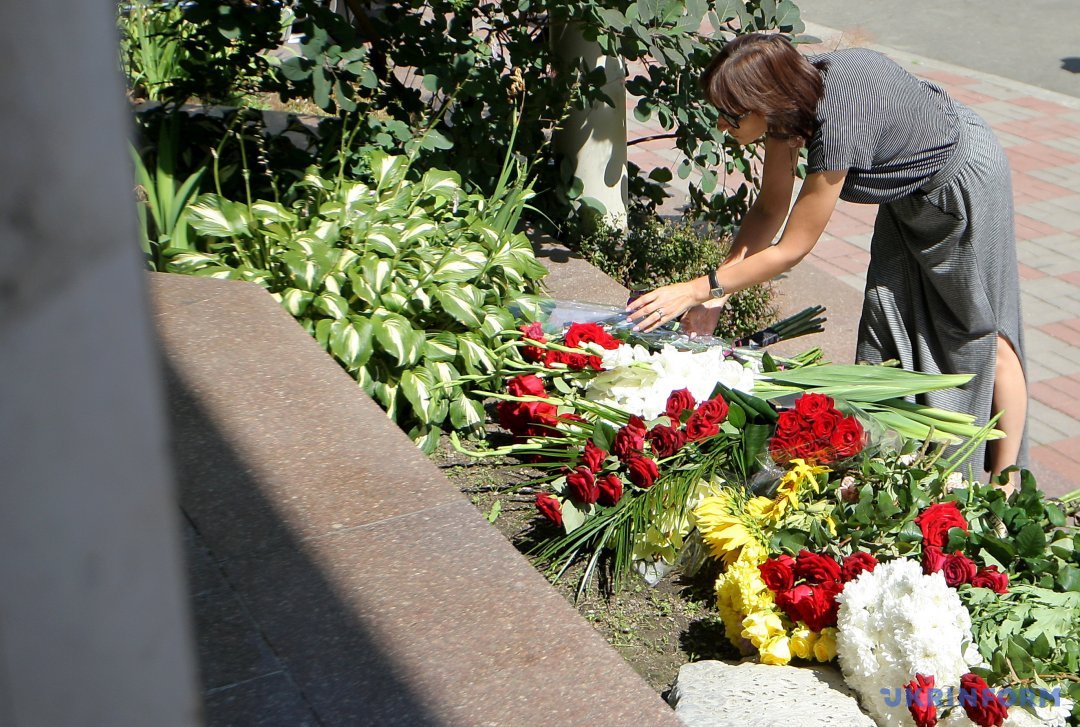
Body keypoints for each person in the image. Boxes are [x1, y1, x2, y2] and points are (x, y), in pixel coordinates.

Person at [625, 33, 1028, 483]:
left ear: (761, 103)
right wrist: (715, 296)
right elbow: (770, 207)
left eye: (730, 115)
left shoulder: (838, 119)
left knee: (981, 334)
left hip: (962, 185)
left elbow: (793, 248)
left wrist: (698, 288)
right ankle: (910, 468)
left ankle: (1008, 484)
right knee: (891, 320)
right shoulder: (792, 96)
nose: (722, 125)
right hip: (910, 192)